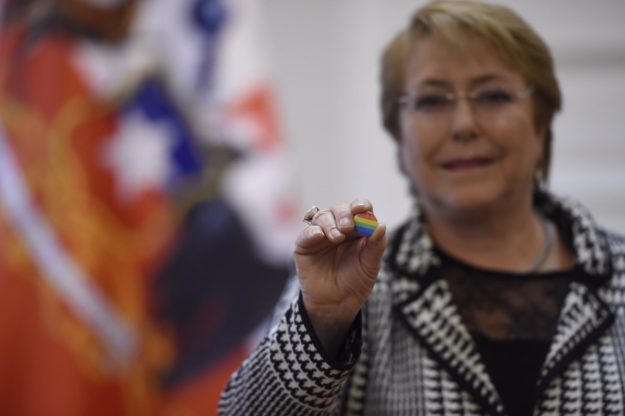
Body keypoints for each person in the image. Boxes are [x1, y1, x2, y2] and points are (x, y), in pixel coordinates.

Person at [218, 1, 625, 415]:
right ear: (400, 138)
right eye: (431, 101)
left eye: (493, 95)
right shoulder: (350, 289)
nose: (463, 125)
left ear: (541, 122)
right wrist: (323, 322)